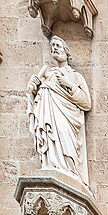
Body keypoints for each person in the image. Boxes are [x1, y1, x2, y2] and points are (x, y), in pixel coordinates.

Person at [27, 36, 92, 185]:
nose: (55, 48)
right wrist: (33, 89)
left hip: (66, 120)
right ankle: (51, 165)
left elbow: (86, 103)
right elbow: (37, 100)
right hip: (49, 118)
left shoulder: (75, 76)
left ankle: (70, 172)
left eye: (58, 46)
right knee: (51, 143)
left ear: (66, 51)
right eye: (53, 46)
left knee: (65, 140)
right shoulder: (47, 76)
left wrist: (70, 85)